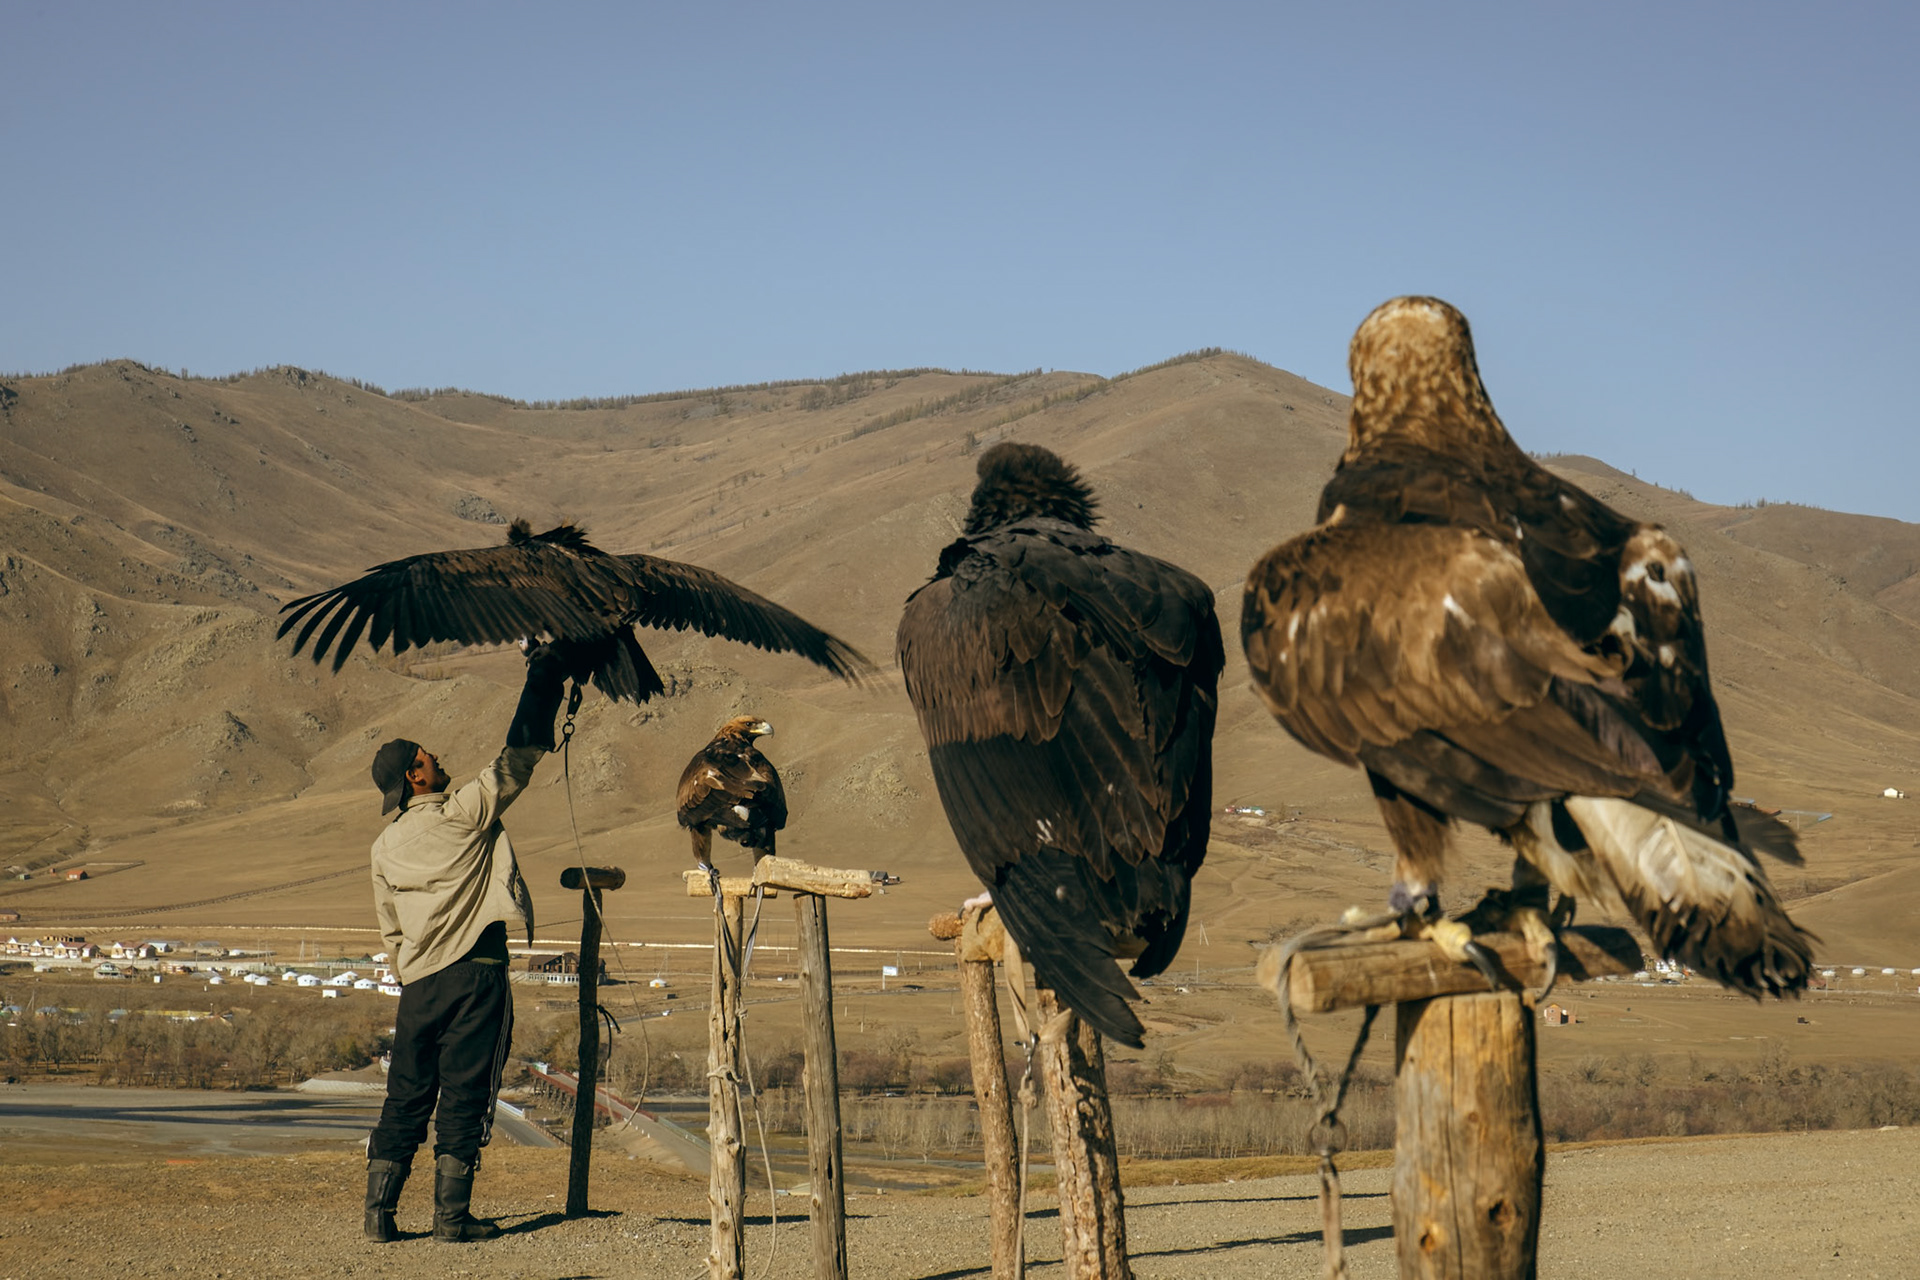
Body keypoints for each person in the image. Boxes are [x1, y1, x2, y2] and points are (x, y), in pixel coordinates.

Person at [360, 643, 572, 1244]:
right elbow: (518, 759)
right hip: (477, 975)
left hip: (420, 985)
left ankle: (379, 1218)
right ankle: (451, 1221)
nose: (440, 757)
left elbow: (390, 928)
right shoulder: (462, 814)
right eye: (430, 756)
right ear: (415, 776)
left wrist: (413, 972)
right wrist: (544, 678)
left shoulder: (383, 848)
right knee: (465, 1095)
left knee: (405, 1096)